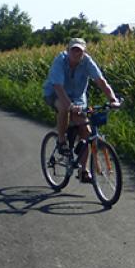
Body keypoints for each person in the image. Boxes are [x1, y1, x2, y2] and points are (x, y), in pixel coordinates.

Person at [43, 38, 119, 181]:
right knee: (64, 108)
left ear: (84, 53)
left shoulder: (87, 62)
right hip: (54, 93)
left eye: (80, 51)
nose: (77, 53)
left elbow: (101, 81)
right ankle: (61, 140)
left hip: (77, 98)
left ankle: (83, 171)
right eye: (74, 50)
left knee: (86, 131)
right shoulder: (60, 61)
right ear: (68, 50)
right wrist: (69, 105)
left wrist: (112, 99)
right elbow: (58, 86)